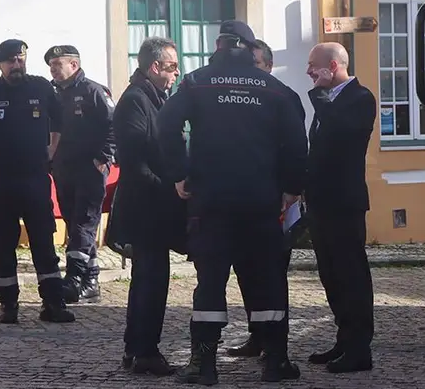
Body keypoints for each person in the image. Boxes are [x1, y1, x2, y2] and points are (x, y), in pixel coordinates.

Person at [157, 20, 308, 385]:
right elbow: (296, 140)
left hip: (211, 200)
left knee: (210, 280)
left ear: (219, 46)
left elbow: (165, 123)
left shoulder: (197, 82)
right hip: (261, 201)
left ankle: (203, 364)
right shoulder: (274, 89)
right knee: (267, 279)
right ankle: (275, 361)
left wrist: (180, 172)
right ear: (250, 49)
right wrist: (291, 187)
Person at [0, 39, 75, 325]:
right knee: (3, 244)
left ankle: (53, 303)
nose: (17, 65)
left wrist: (53, 147)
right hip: (1, 179)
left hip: (35, 177)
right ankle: (8, 304)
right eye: (10, 61)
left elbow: (60, 118)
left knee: (43, 241)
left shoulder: (41, 87)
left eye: (20, 59)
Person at [225, 38, 306, 359]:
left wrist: (291, 189)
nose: (250, 71)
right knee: (245, 270)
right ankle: (257, 335)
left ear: (269, 67)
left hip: (275, 200)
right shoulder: (236, 97)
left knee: (271, 275)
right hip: (241, 200)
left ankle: (275, 345)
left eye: (256, 64)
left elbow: (296, 147)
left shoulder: (284, 96)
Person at [113, 37, 187, 376]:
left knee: (149, 279)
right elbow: (134, 162)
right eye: (172, 67)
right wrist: (170, 189)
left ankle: (137, 348)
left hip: (156, 207)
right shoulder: (135, 101)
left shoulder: (156, 98)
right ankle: (144, 352)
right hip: (145, 209)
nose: (176, 73)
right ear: (154, 67)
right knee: (151, 281)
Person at [303, 42, 378, 373]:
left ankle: (360, 348)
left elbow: (340, 132)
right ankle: (344, 339)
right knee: (330, 275)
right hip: (320, 202)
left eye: (313, 65)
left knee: (351, 275)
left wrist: (318, 95)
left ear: (332, 66)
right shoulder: (327, 102)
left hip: (345, 202)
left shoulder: (360, 98)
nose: (308, 71)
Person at [46, 44, 116, 304]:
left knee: (83, 224)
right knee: (74, 222)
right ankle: (91, 281)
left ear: (73, 65)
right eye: (51, 66)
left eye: (57, 65)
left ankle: (74, 279)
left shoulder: (93, 91)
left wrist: (103, 157)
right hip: (64, 169)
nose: (53, 70)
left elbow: (114, 124)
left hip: (90, 169)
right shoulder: (53, 94)